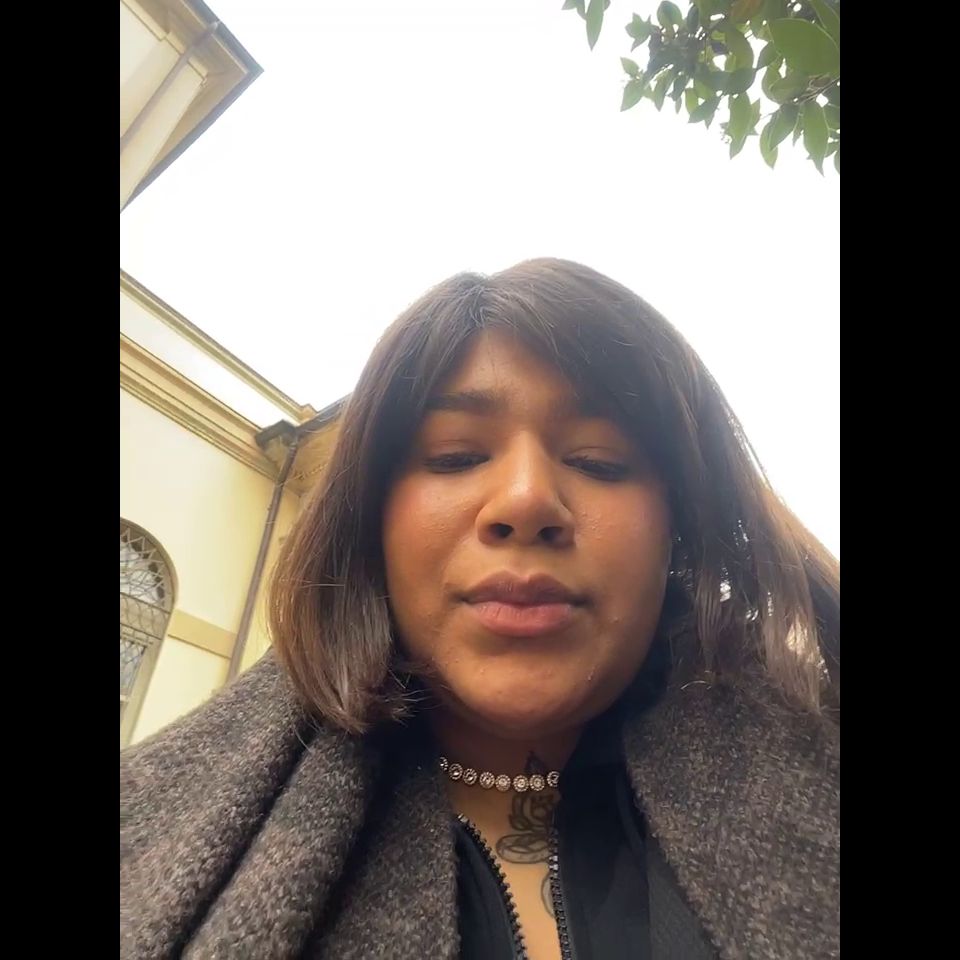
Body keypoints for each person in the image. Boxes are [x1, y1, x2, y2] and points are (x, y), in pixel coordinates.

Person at [120, 258, 839, 960]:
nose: (526, 500)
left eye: (599, 460)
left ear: (677, 523)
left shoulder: (815, 759)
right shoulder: (147, 822)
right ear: (371, 517)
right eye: (455, 456)